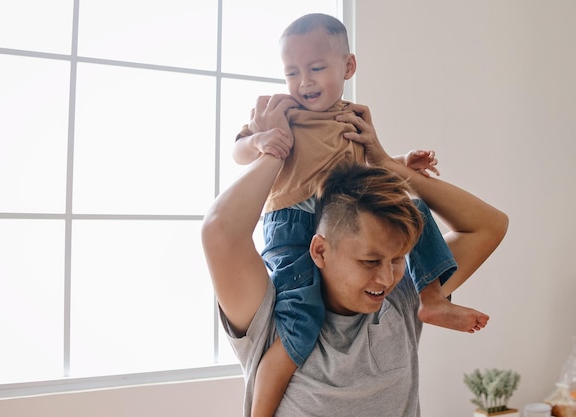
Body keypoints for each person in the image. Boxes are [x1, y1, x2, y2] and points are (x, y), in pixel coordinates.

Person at [231, 13, 489, 417]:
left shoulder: (353, 117)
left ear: (348, 67)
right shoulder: (286, 110)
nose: (305, 82)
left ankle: (432, 296)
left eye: (317, 69)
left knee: (412, 209)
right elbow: (239, 149)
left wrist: (396, 162)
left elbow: (363, 175)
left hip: (336, 214)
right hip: (293, 224)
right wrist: (264, 141)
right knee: (300, 322)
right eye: (292, 72)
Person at [202, 100, 508, 416]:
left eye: (397, 260)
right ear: (320, 250)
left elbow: (489, 226)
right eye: (369, 261)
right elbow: (219, 232)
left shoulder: (401, 299)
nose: (387, 279)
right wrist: (273, 151)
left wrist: (388, 165)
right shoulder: (274, 313)